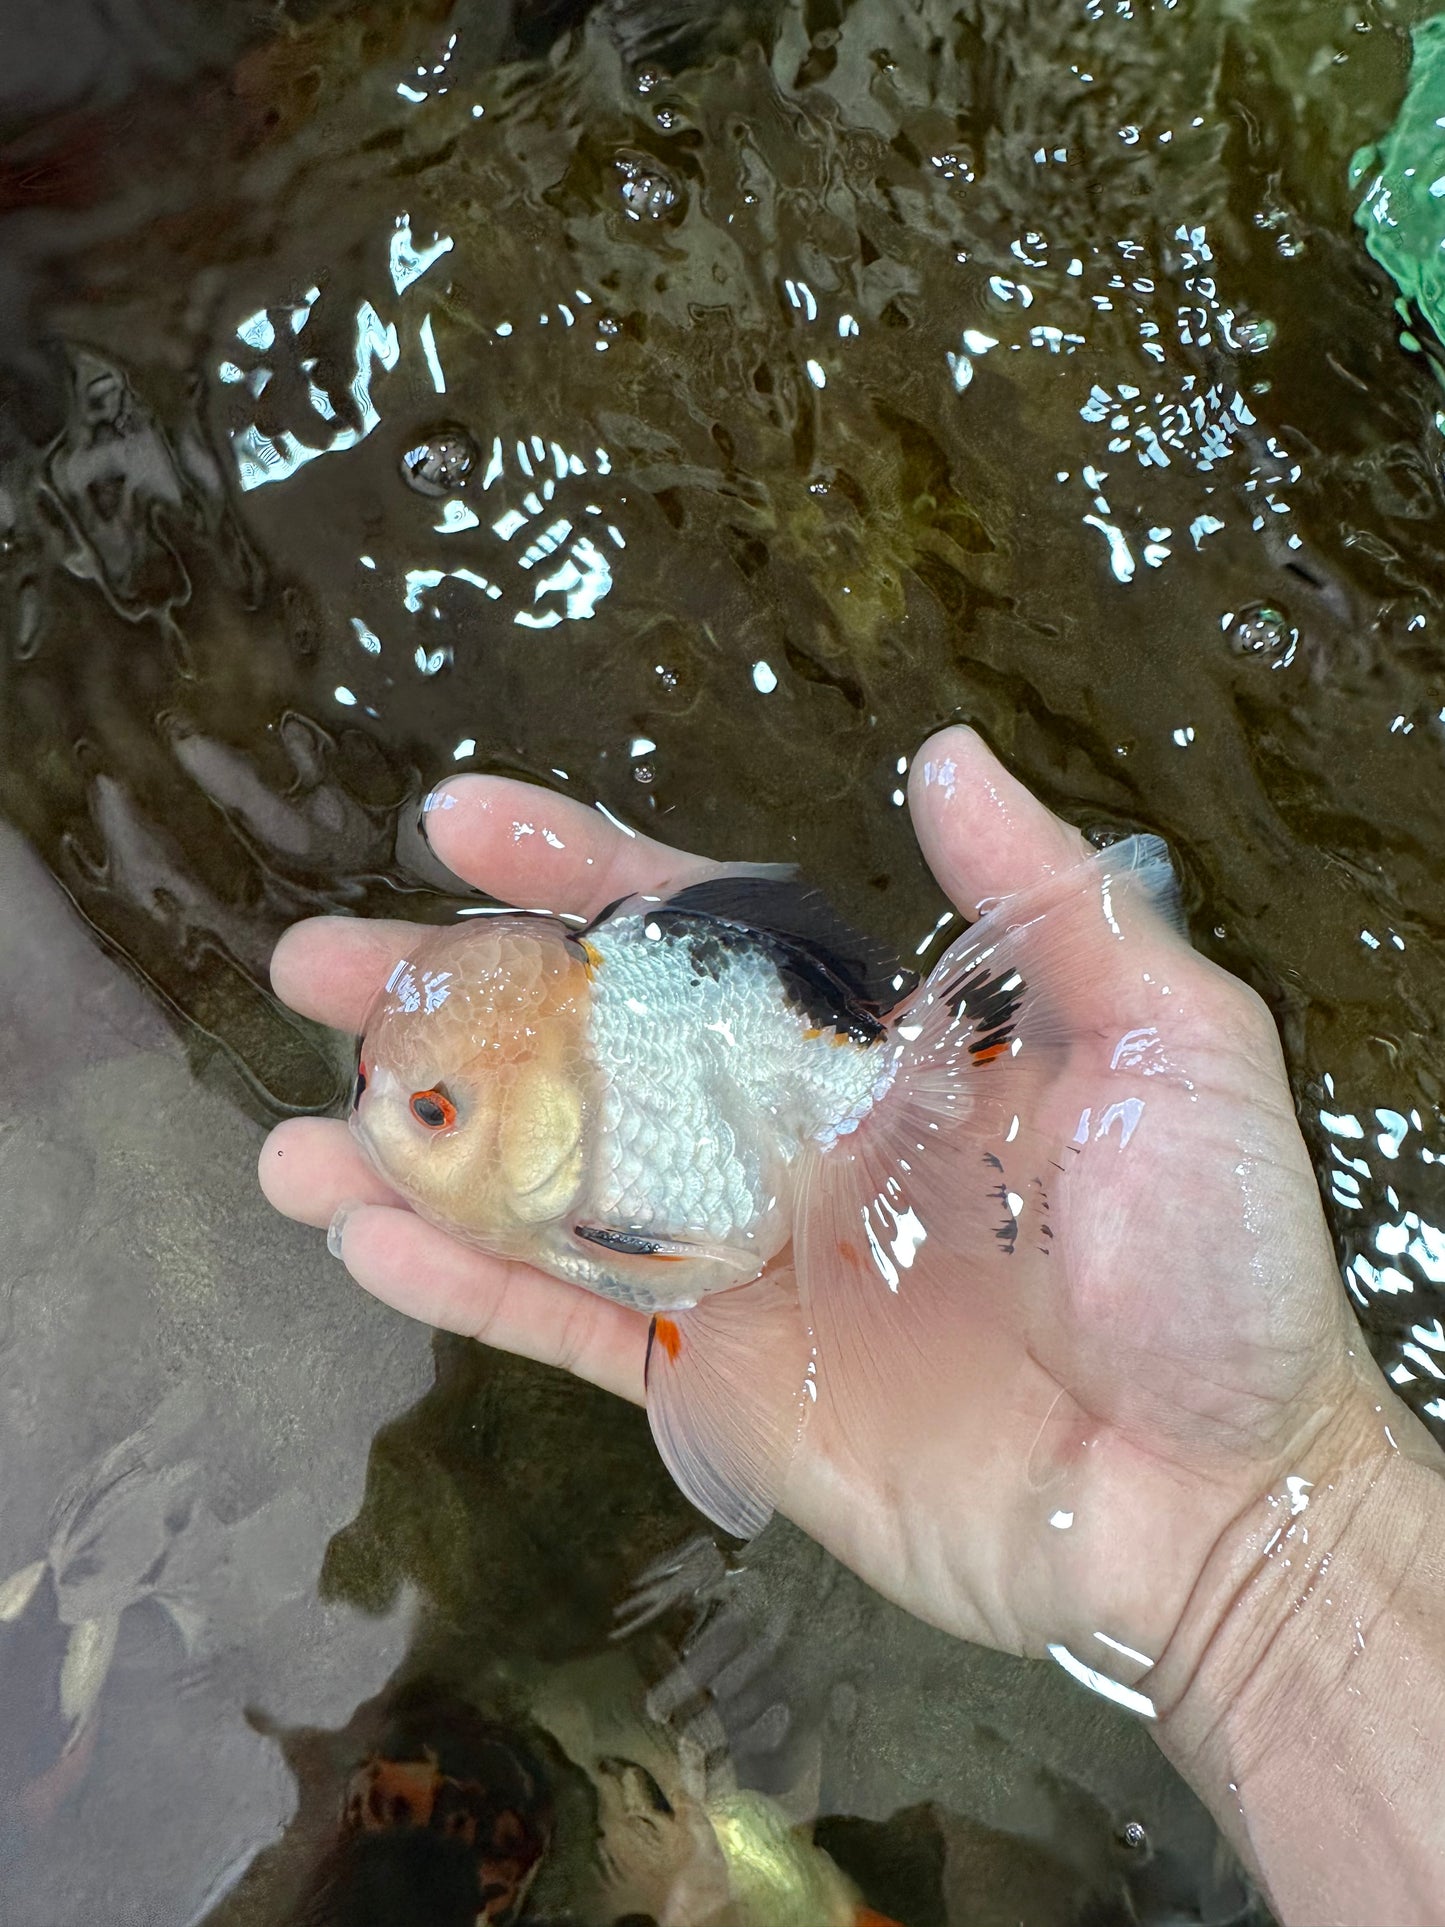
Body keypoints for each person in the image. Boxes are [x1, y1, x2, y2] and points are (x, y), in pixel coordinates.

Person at [258, 726, 1445, 1927]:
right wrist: (1270, 1551)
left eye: (433, 1111)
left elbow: (684, 1262)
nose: (386, 1125)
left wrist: (1259, 1538)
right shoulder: (582, 1130)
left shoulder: (624, 1193)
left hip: (800, 1088)